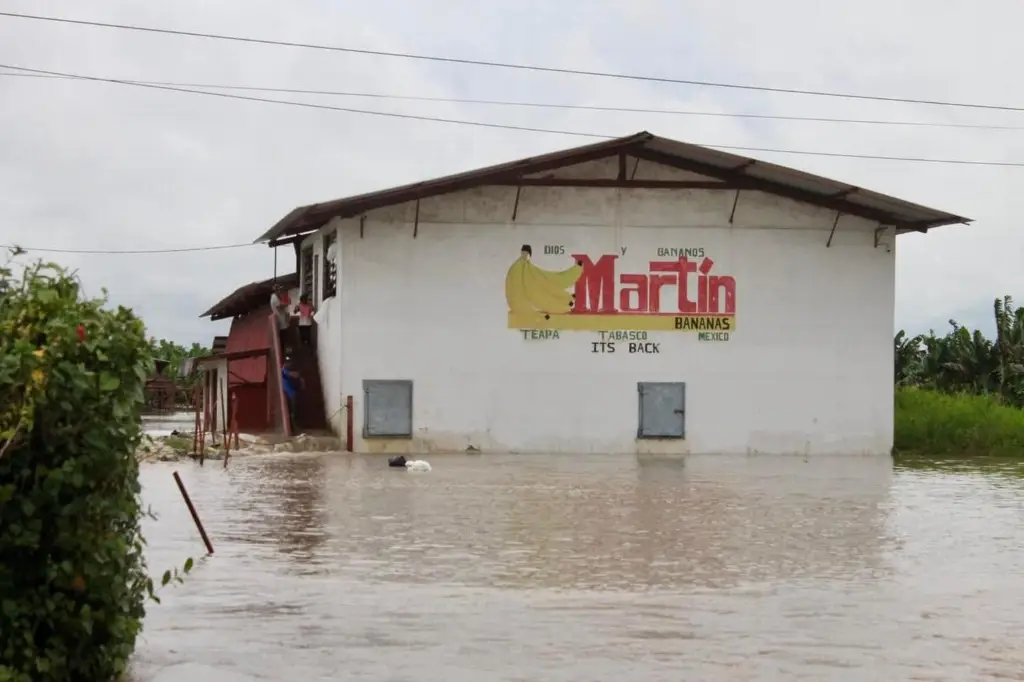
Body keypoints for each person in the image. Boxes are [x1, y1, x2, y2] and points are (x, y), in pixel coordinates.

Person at [281, 358, 304, 431]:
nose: (289, 364)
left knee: (294, 411)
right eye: (288, 362)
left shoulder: (288, 371)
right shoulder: (284, 370)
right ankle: (294, 427)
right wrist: (298, 375)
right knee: (292, 411)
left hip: (292, 393)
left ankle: (295, 426)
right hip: (289, 395)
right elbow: (293, 375)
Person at [269, 285, 291, 349]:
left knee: (283, 338)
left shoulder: (277, 297)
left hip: (282, 320)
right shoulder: (274, 297)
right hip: (280, 321)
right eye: (279, 290)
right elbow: (279, 306)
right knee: (283, 338)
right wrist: (287, 303)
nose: (280, 291)